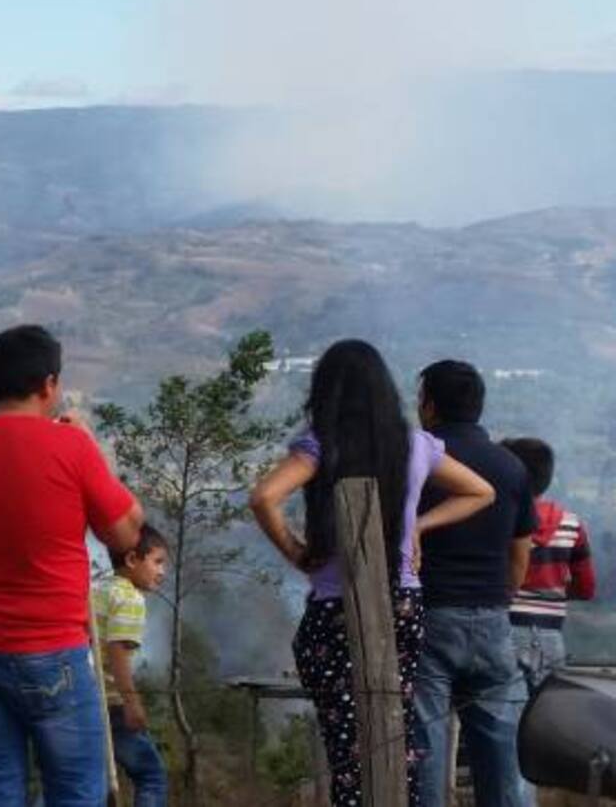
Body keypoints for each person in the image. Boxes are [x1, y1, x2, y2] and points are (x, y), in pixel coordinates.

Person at [250, 340, 494, 807]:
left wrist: (296, 553)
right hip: (404, 602)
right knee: (392, 735)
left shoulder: (321, 444)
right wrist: (420, 525)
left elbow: (264, 497)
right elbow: (480, 492)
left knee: (348, 747)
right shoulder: (414, 445)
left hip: (333, 608)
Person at [0, 324, 143, 807]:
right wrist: (92, 446)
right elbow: (126, 536)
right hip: (52, 651)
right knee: (76, 791)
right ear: (49, 385)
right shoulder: (72, 447)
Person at [413, 360, 538, 807]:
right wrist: (500, 597)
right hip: (492, 621)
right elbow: (520, 551)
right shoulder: (511, 467)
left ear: (429, 405)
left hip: (430, 617)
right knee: (501, 749)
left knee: (424, 745)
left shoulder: (419, 461)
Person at [501, 437, 595, 690]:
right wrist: (552, 592)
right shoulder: (572, 524)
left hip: (503, 633)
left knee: (505, 718)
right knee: (544, 719)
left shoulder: (500, 520)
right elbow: (586, 588)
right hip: (551, 638)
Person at [92, 524, 170, 807]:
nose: (162, 572)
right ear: (132, 560)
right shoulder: (130, 598)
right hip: (111, 704)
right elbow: (117, 650)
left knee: (80, 780)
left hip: (80, 696)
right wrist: (131, 702)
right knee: (151, 775)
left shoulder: (97, 586)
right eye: (158, 562)